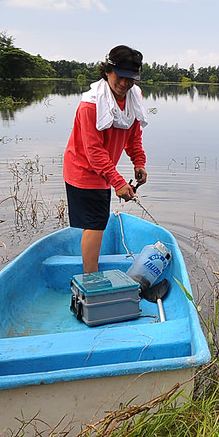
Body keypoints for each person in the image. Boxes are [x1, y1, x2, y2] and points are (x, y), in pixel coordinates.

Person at [64, 45, 149, 273]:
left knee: (97, 219)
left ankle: (90, 272)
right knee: (95, 223)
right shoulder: (90, 105)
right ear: (108, 71)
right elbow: (94, 151)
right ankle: (90, 277)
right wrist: (118, 181)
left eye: (130, 78)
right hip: (83, 168)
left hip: (103, 169)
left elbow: (133, 133)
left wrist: (138, 161)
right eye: (120, 76)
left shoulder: (134, 97)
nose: (125, 83)